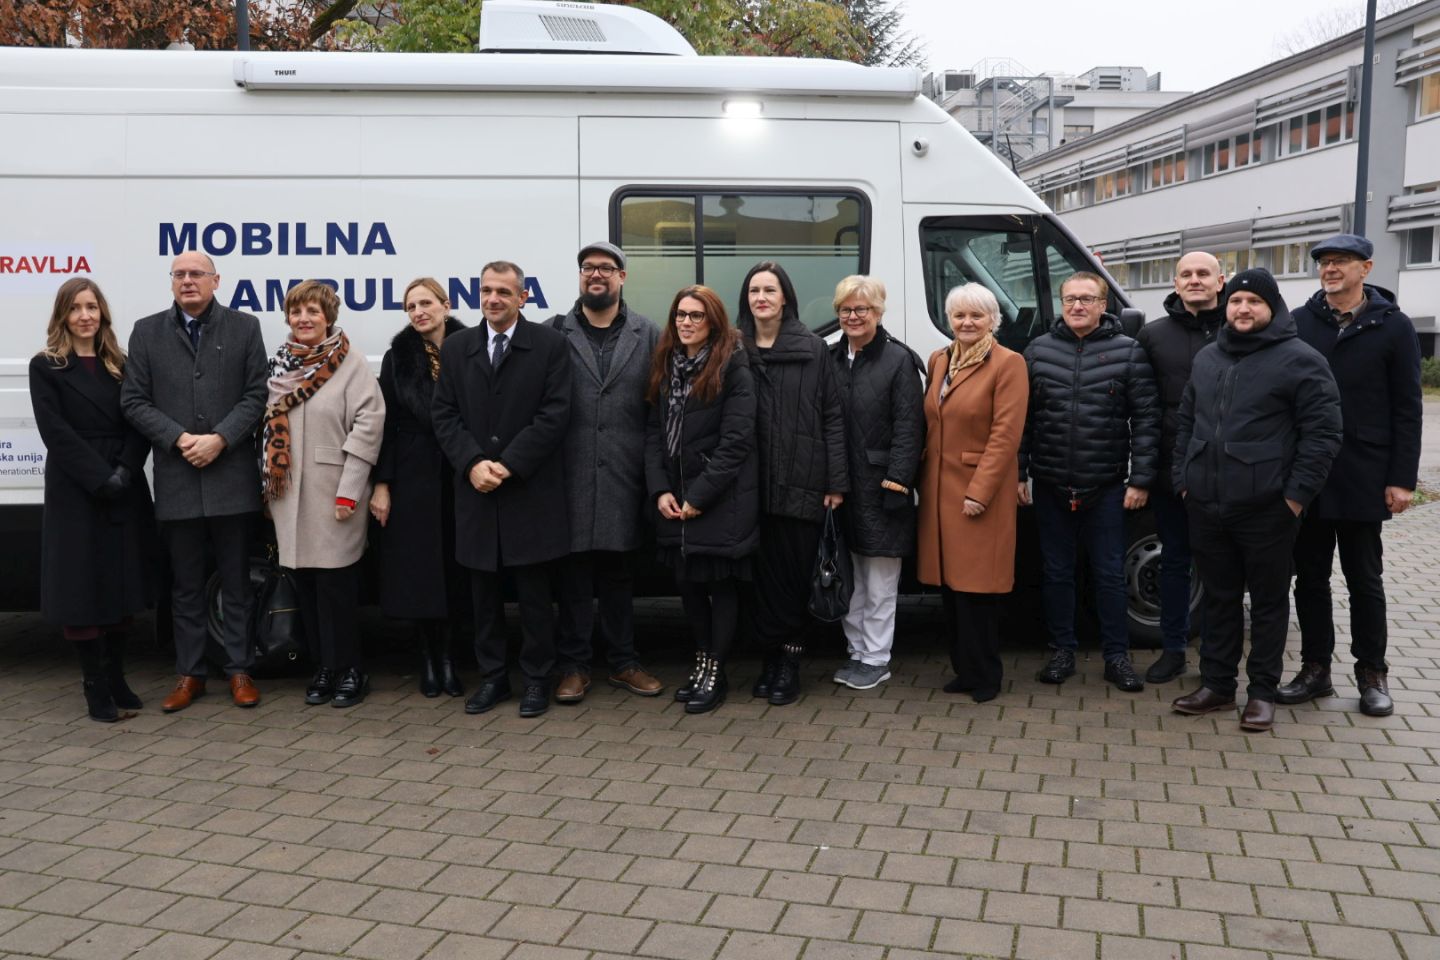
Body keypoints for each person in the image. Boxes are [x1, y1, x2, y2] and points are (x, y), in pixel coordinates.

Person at [1171, 268, 1341, 732]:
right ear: (1226, 307)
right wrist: (1183, 479)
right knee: (1219, 599)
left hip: (1268, 507)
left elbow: (1323, 434)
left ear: (1273, 308)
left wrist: (1294, 498)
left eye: (1254, 302)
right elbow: (1187, 422)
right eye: (1236, 301)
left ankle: (1262, 693)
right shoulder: (1209, 357)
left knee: (1267, 602)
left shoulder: (1300, 359)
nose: (1243, 309)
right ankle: (1217, 687)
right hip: (1206, 503)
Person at [1280, 234, 1423, 718]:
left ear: (1366, 267)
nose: (1330, 269)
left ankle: (1372, 673)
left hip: (1365, 472)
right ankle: (1315, 669)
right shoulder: (1298, 323)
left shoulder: (1394, 326)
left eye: (1340, 261)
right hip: (1309, 474)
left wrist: (1402, 478)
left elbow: (1408, 407)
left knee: (1365, 579)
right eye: (1323, 262)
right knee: (1311, 579)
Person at [122, 252, 268, 712]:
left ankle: (240, 670)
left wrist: (221, 439)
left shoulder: (245, 327)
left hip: (230, 476)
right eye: (179, 275)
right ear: (171, 283)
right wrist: (180, 438)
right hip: (178, 475)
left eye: (196, 274)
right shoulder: (146, 332)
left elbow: (257, 393)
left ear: (215, 280)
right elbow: (133, 400)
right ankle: (190, 675)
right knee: (184, 586)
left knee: (236, 582)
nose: (188, 281)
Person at [432, 261, 572, 718]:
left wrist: (508, 464)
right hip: (476, 492)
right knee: (484, 597)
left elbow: (554, 414)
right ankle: (493, 678)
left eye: (503, 292)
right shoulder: (457, 348)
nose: (493, 299)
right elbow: (445, 414)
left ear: (523, 296)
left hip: (527, 490)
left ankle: (537, 680)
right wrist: (472, 463)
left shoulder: (550, 345)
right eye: (486, 291)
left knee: (534, 596)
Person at [1018, 271, 1159, 692]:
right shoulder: (1037, 352)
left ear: (1103, 305)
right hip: (1050, 483)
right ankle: (1062, 650)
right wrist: (1018, 473)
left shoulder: (1129, 352)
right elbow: (1022, 421)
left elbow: (1148, 421)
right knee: (1057, 573)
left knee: (1110, 574)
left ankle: (1117, 657)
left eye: (1087, 299)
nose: (1077, 306)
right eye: (1070, 299)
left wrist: (1142, 479)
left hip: (1107, 485)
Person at [31, 278, 157, 722]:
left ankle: (118, 676)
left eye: (92, 307)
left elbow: (139, 419)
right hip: (76, 486)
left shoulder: (120, 364)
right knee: (82, 587)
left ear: (102, 313)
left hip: (124, 481)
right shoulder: (46, 366)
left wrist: (124, 470)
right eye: (76, 308)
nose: (85, 315)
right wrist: (99, 477)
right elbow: (55, 431)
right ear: (62, 315)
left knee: (120, 585)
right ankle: (94, 684)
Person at [549, 242, 663, 703]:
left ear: (622, 277)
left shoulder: (649, 333)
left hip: (624, 476)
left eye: (606, 268)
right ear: (580, 276)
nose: (596, 275)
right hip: (569, 477)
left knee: (619, 578)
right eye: (588, 268)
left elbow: (659, 408)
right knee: (573, 579)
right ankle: (573, 667)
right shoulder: (553, 333)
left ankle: (623, 662)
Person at [262, 281, 385, 708]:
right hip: (288, 495)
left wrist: (350, 491)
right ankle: (323, 669)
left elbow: (369, 426)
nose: (305, 319)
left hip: (335, 494)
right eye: (297, 312)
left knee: (337, 591)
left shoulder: (349, 363)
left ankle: (351, 670)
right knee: (307, 590)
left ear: (328, 316)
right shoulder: (279, 363)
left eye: (313, 311)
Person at [735, 260, 847, 706]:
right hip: (748, 485)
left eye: (770, 290)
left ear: (785, 298)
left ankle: (789, 663)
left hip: (803, 479)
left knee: (794, 578)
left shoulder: (813, 348)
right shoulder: (732, 348)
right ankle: (768, 658)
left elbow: (834, 415)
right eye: (754, 290)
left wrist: (836, 481)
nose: (761, 297)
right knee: (758, 579)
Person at [645, 285, 759, 714]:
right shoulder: (665, 364)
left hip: (719, 498)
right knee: (687, 585)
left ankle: (716, 669)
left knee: (720, 585)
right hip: (675, 498)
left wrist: (699, 496)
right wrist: (661, 491)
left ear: (713, 322)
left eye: (696, 316)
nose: (686, 323)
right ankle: (702, 659)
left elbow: (736, 440)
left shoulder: (732, 365)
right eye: (680, 315)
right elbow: (653, 434)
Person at [916, 283, 1028, 702]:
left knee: (978, 590)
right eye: (959, 315)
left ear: (992, 321)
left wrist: (980, 491)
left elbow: (1005, 435)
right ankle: (963, 669)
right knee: (951, 588)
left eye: (976, 316)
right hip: (940, 490)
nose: (967, 323)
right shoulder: (940, 360)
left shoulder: (1008, 364)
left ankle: (985, 675)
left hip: (979, 492)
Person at [370, 278, 468, 698]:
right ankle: (428, 658)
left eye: (426, 303)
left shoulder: (471, 347)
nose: (418, 311)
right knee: (420, 572)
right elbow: (386, 424)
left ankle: (450, 657)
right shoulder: (398, 357)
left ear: (445, 305)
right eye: (411, 306)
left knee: (457, 568)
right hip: (413, 471)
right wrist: (383, 484)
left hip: (462, 471)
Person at [1134, 251, 1226, 683]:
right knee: (1175, 562)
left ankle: (1216, 658)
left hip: (1228, 474)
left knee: (1221, 567)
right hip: (1172, 469)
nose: (1195, 280)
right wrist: (1146, 471)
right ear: (1174, 283)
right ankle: (1173, 650)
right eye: (1186, 274)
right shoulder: (1153, 336)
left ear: (1220, 281)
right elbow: (1145, 411)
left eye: (1203, 273)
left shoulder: (1240, 329)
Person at [828, 275, 923, 691]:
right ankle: (856, 652)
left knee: (881, 581)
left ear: (878, 312)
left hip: (883, 487)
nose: (853, 316)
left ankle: (877, 657)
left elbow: (909, 427)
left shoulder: (899, 360)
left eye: (862, 309)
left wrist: (898, 483)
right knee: (849, 578)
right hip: (841, 486)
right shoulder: (831, 358)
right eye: (846, 309)